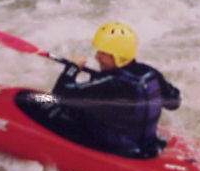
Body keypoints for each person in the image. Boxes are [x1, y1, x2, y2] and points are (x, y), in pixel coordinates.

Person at [49, 21, 181, 158]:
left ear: (118, 57)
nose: (97, 57)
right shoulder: (150, 73)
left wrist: (72, 68)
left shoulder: (111, 82)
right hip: (149, 145)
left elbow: (60, 94)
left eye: (103, 53)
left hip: (120, 150)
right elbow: (174, 103)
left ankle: (39, 100)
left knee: (50, 102)